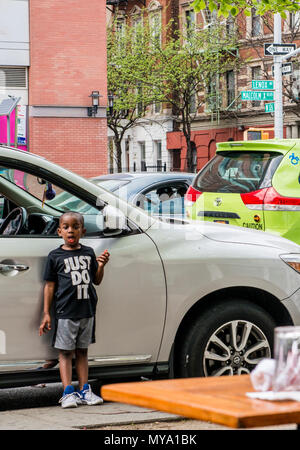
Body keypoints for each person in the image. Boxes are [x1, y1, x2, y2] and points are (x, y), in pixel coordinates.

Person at [39, 211, 110, 408]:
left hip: (87, 311)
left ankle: (84, 389)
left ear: (82, 231)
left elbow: (96, 280)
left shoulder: (88, 253)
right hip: (65, 313)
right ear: (59, 231)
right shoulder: (55, 256)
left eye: (76, 227)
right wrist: (46, 312)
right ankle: (68, 391)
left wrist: (101, 265)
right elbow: (50, 285)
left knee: (83, 352)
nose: (71, 230)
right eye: (67, 227)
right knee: (65, 353)